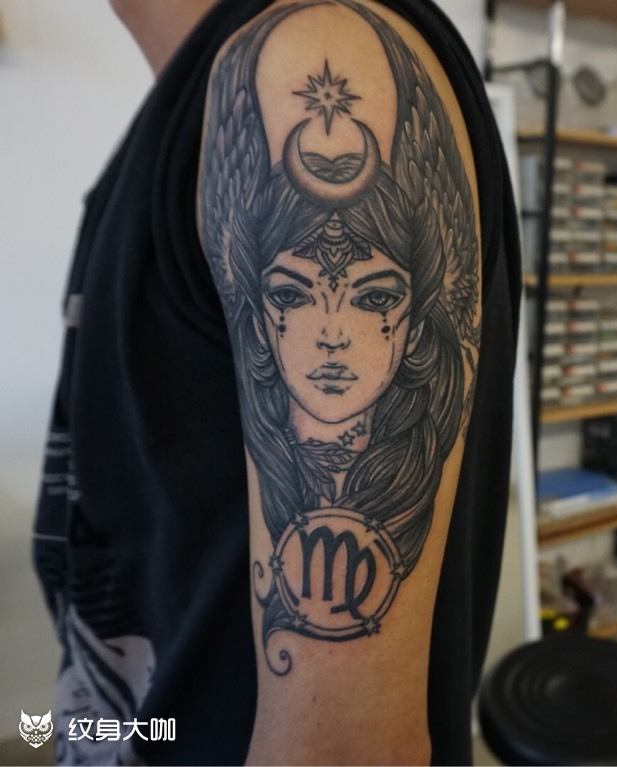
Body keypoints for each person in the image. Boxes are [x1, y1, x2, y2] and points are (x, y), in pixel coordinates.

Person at [32, 0, 520, 763]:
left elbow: (353, 751)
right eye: (293, 294)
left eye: (372, 298)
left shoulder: (320, 48)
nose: (332, 334)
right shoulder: (196, 101)